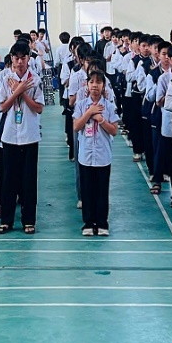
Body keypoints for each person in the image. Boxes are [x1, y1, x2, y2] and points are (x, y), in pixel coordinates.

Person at [0, 42, 45, 235]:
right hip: (9, 135)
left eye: (23, 58)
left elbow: (39, 108)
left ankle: (28, 220)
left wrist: (22, 92)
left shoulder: (35, 80)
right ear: (12, 59)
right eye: (16, 58)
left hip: (30, 135)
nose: (20, 62)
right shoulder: (6, 79)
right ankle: (6, 220)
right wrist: (15, 91)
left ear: (28, 59)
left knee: (29, 180)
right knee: (8, 179)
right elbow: (2, 107)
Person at [73, 70, 118, 236]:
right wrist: (89, 113)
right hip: (86, 155)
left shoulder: (109, 106)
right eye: (92, 82)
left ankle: (102, 223)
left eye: (98, 82)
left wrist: (101, 120)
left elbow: (114, 130)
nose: (95, 86)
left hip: (103, 155)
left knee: (101, 190)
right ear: (87, 84)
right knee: (87, 190)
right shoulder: (81, 105)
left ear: (103, 85)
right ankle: (88, 223)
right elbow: (76, 126)